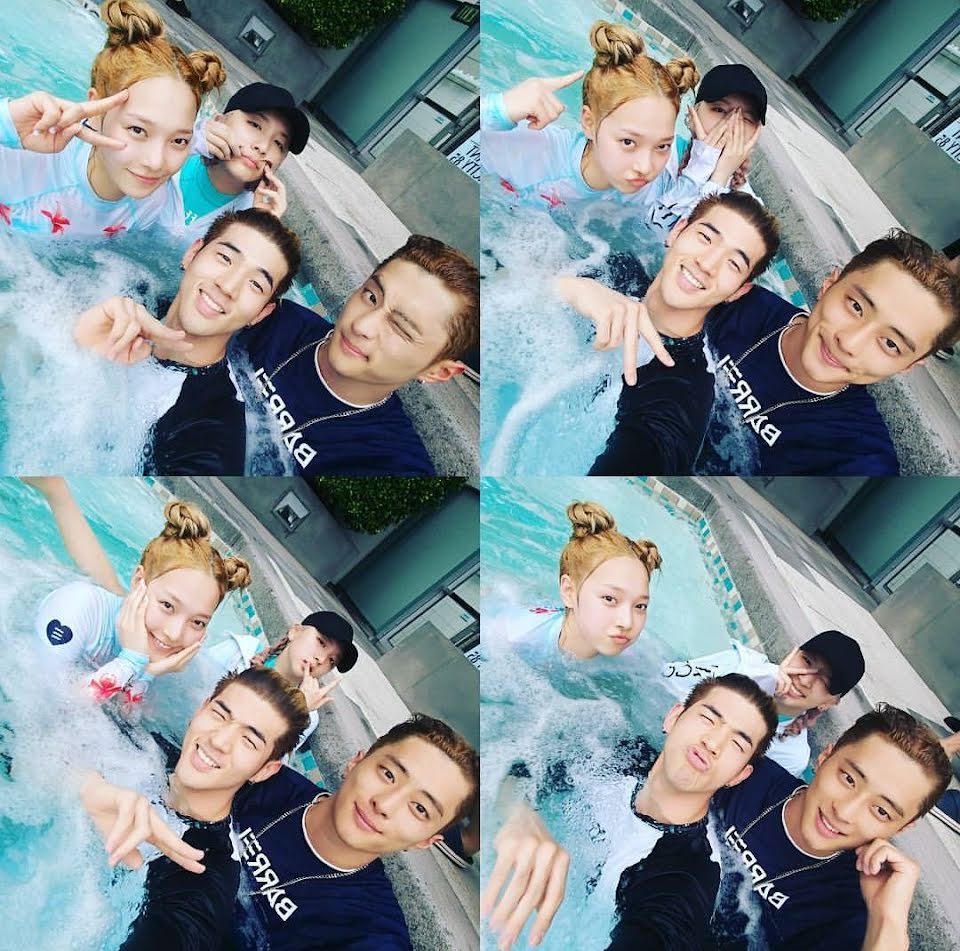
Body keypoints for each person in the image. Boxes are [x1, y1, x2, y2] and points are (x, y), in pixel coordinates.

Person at [483, 674, 778, 951]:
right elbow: (524, 770)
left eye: (737, 744)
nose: (713, 743)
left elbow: (662, 930)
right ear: (674, 717)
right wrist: (517, 812)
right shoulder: (621, 753)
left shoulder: (684, 879)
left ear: (738, 776)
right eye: (708, 719)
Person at [81, 666, 309, 949]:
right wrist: (83, 788)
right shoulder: (146, 747)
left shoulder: (203, 878)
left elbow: (181, 932)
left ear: (264, 770)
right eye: (219, 715)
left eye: (249, 741)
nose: (219, 741)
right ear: (201, 709)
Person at [699, 229, 960, 475]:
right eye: (856, 307)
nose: (849, 343)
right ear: (829, 285)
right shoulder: (736, 303)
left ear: (908, 366)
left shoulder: (856, 452)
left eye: (890, 344)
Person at [557, 190, 780, 474]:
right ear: (677, 232)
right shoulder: (620, 270)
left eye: (733, 264)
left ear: (738, 291)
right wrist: (570, 289)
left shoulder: (681, 393)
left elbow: (649, 453)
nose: (707, 264)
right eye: (705, 237)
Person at [74, 207, 302, 474]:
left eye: (256, 285)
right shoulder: (126, 293)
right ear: (192, 254)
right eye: (225, 258)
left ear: (260, 313)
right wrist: (78, 342)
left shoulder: (212, 434)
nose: (228, 286)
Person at [227, 713, 480, 949]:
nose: (384, 804)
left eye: (420, 809)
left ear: (424, 841)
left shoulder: (368, 931)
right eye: (388, 774)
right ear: (356, 762)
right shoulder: (263, 779)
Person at [713, 704, 953, 950]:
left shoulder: (850, 913)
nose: (844, 812)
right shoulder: (746, 774)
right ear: (824, 757)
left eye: (881, 811)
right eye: (848, 779)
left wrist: (888, 922)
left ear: (900, 828)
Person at [482, 21, 758, 235]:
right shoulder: (542, 148)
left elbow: (666, 241)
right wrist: (499, 109)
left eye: (662, 145)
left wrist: (708, 166)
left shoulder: (656, 184)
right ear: (589, 122)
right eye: (628, 142)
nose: (645, 166)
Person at [239, 233, 479, 475]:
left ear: (438, 371)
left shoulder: (387, 463)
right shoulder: (275, 319)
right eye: (372, 297)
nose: (362, 325)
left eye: (400, 328)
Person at [0, 0, 225, 236]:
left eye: (178, 141)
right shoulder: (27, 154)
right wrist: (5, 122)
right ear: (95, 112)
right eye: (138, 130)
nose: (155, 162)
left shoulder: (153, 203)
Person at [29, 477, 250, 704]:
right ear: (138, 580)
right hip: (48, 592)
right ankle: (56, 490)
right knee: (110, 591)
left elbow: (124, 715)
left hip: (125, 612)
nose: (174, 634)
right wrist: (131, 662)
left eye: (198, 622)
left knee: (116, 592)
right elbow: (45, 705)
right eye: (168, 605)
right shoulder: (76, 607)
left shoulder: (179, 664)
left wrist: (147, 673)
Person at [661, 631, 866, 776]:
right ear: (792, 654)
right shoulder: (738, 663)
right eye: (807, 661)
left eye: (825, 681)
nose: (805, 679)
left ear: (829, 703)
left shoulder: (791, 756)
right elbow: (660, 682)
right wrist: (751, 677)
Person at [506, 500, 661, 661]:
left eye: (640, 606)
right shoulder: (515, 639)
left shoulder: (643, 657)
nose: (627, 623)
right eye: (609, 599)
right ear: (569, 592)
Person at [208, 610, 358, 752]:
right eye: (321, 642)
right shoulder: (240, 651)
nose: (321, 659)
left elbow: (265, 761)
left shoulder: (307, 716)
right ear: (295, 631)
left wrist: (296, 712)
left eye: (332, 660)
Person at [177, 82, 310, 239]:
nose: (263, 147)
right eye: (255, 125)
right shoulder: (174, 151)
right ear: (219, 121)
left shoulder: (250, 213)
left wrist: (260, 227)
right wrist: (180, 145)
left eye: (278, 144)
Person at [647, 63, 768, 233]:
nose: (731, 124)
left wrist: (719, 178)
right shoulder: (659, 154)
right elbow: (650, 230)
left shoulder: (750, 208)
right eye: (719, 109)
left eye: (746, 119)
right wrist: (701, 166)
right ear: (693, 113)